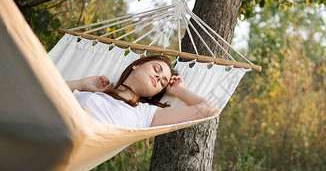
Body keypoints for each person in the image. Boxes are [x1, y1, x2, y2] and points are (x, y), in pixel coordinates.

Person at [66, 55, 219, 128]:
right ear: (136, 66)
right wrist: (82, 83)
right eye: (156, 69)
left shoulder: (146, 113)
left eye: (163, 82)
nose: (159, 77)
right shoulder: (93, 92)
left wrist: (179, 90)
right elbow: (45, 91)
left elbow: (209, 110)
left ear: (154, 93)